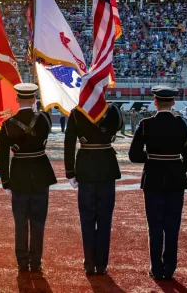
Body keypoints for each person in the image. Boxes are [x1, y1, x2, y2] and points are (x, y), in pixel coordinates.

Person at [128, 86, 187, 280]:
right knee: (172, 226)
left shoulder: (146, 124)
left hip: (153, 178)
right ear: (173, 102)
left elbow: (134, 155)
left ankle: (156, 268)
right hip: (176, 179)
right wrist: (177, 169)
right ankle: (170, 268)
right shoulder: (183, 124)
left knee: (155, 225)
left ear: (155, 102)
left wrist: (151, 159)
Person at [0, 83, 56, 273]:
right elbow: (45, 125)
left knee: (20, 221)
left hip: (19, 174)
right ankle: (36, 261)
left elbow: (2, 155)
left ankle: (22, 261)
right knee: (38, 221)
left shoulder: (7, 124)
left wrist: (5, 181)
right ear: (33, 99)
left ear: (16, 99)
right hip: (40, 172)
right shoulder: (45, 119)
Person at [65, 102, 123, 276]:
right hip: (107, 166)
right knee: (105, 219)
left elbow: (69, 142)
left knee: (87, 218)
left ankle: (89, 263)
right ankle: (101, 264)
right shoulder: (113, 110)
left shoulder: (76, 112)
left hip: (85, 167)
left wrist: (70, 171)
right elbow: (117, 126)